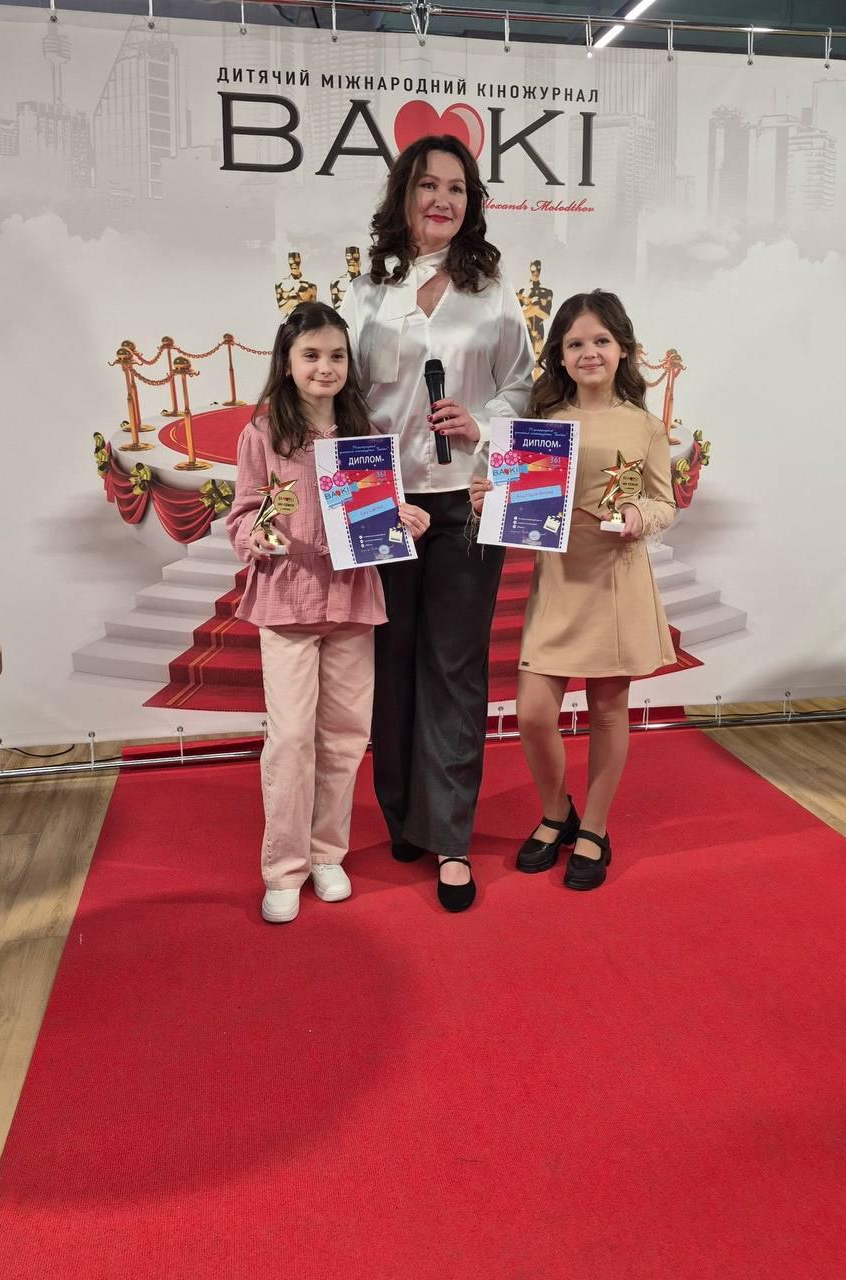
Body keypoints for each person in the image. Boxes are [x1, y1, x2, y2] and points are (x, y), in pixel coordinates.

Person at [341, 134, 534, 912]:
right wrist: (361, 469)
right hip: (381, 497)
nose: (442, 200)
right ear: (403, 195)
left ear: (470, 202)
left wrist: (483, 424)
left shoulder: (492, 293)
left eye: (457, 188)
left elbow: (522, 384)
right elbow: (340, 393)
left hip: (467, 500)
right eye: (428, 185)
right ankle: (403, 816)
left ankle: (450, 834)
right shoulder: (365, 292)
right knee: (389, 662)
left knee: (454, 667)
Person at [226, 302, 430, 924]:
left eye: (336, 355)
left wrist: (403, 517)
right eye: (311, 355)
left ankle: (326, 854)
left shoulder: (365, 436)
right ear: (286, 363)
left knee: (343, 738)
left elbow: (379, 510)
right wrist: (257, 536)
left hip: (351, 601)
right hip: (287, 601)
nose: (325, 367)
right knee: (291, 740)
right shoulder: (262, 434)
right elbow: (243, 514)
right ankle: (283, 868)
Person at [470, 291, 676, 891]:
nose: (590, 352)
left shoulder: (645, 427)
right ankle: (557, 811)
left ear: (623, 349)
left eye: (601, 341)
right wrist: (490, 501)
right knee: (534, 714)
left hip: (616, 581)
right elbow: (521, 512)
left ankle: (596, 828)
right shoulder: (539, 426)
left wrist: (639, 514)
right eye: (576, 343)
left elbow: (664, 502)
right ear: (559, 355)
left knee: (609, 712)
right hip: (557, 583)